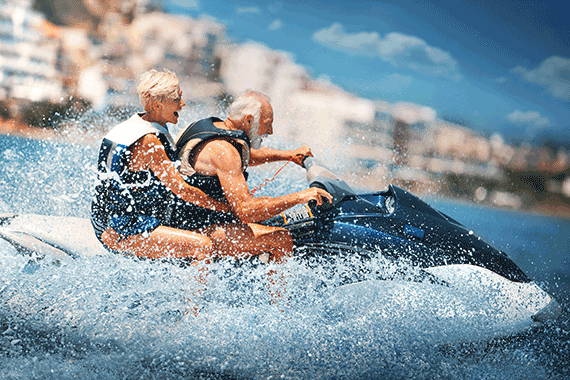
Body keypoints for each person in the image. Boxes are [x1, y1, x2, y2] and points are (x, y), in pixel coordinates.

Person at [172, 90, 332, 264]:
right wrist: (299, 197)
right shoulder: (224, 150)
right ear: (249, 120)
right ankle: (280, 292)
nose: (270, 131)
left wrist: (289, 155)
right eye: (267, 124)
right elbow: (246, 211)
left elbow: (245, 156)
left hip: (185, 216)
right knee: (281, 239)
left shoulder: (210, 127)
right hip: (192, 229)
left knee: (267, 206)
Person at [90, 69, 231, 261]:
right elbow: (183, 190)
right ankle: (193, 293)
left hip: (105, 220)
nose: (183, 104)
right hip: (121, 229)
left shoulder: (131, 126)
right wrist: (223, 207)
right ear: (157, 105)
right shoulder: (149, 141)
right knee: (202, 246)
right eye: (177, 100)